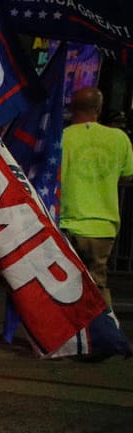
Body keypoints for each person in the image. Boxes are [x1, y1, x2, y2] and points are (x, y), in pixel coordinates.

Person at [59, 86, 133, 311]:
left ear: (71, 109)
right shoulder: (120, 139)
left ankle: (68, 336)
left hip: (67, 223)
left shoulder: (62, 137)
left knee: (64, 285)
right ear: (99, 109)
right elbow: (128, 177)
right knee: (98, 284)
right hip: (103, 227)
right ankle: (103, 333)